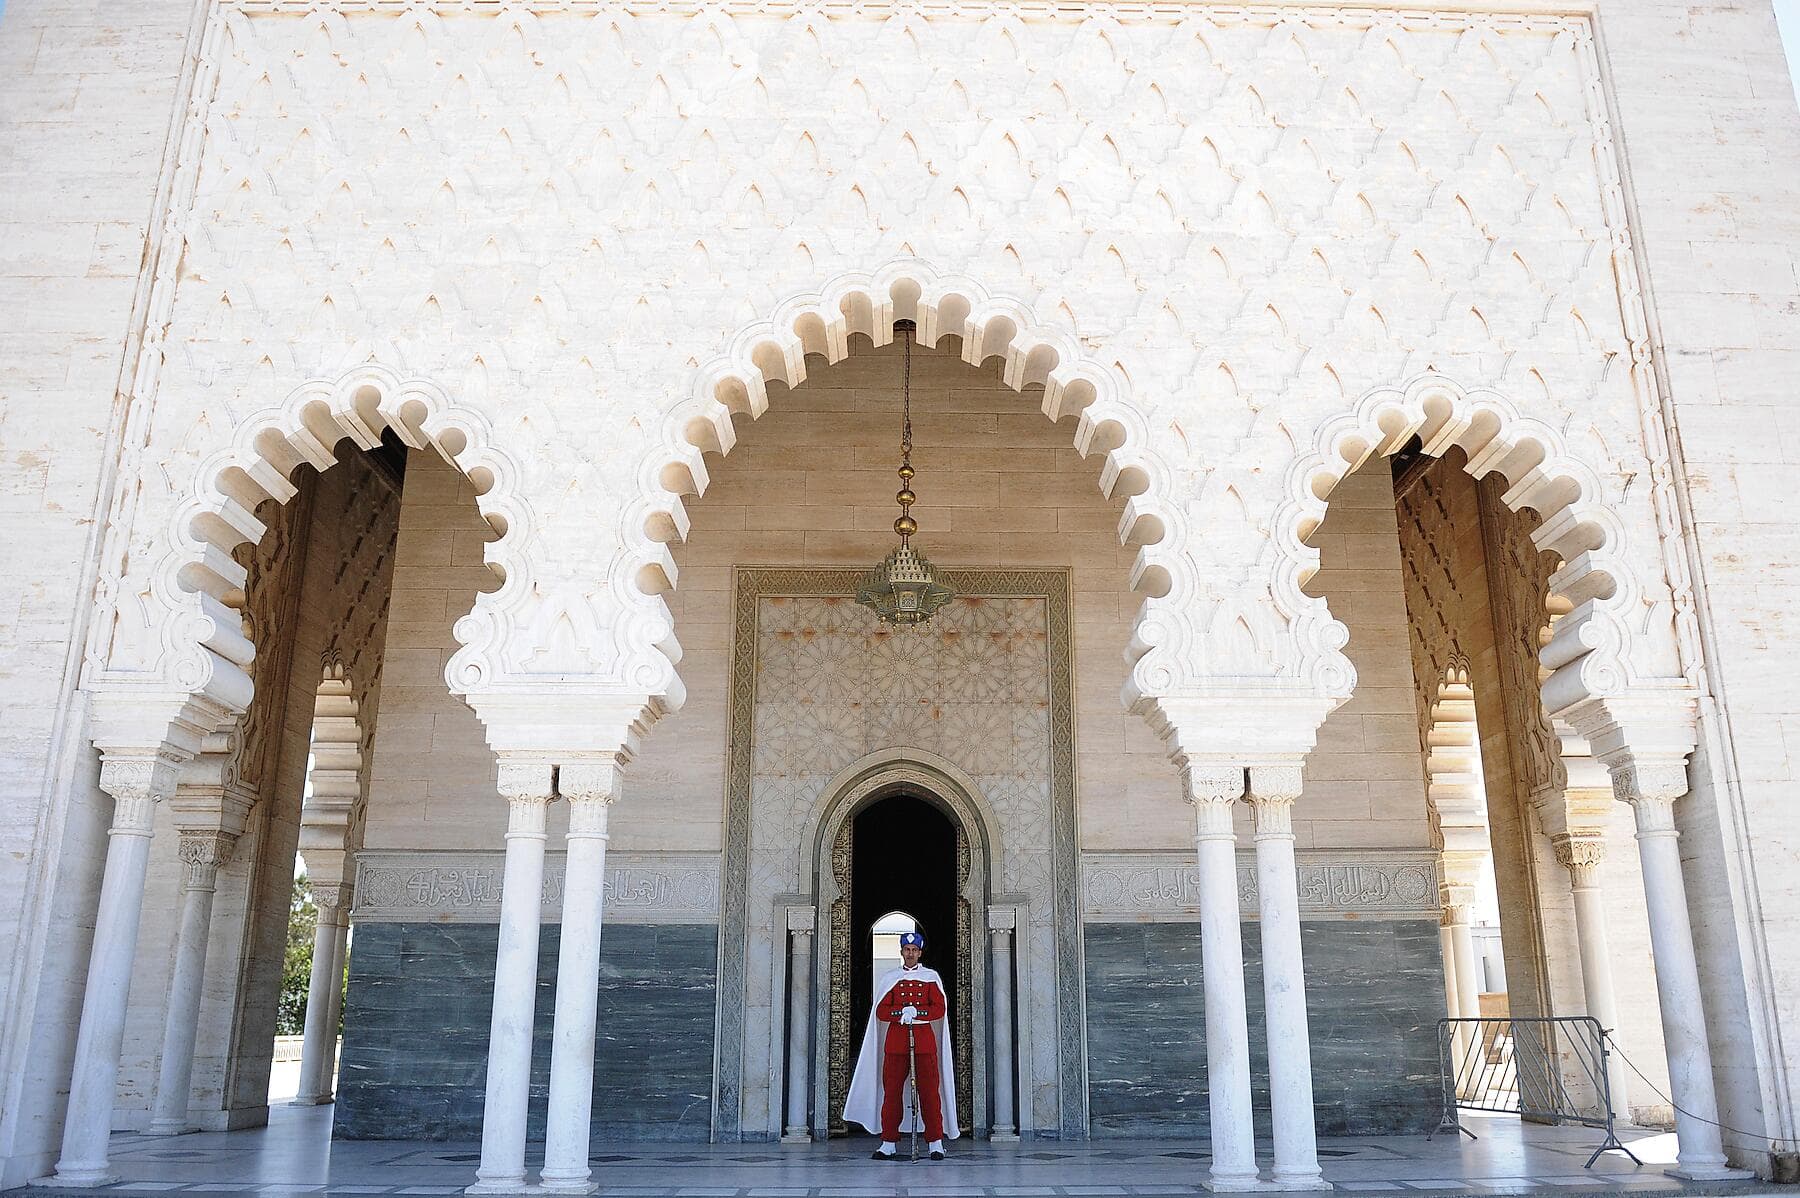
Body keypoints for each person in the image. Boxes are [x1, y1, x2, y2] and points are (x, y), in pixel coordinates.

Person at [844, 929, 959, 1160]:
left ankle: (935, 1142)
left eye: (914, 950)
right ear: (901, 952)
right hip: (896, 1044)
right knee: (892, 1093)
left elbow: (939, 1008)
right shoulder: (891, 979)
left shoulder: (930, 977)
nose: (910, 954)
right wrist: (900, 1013)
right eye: (907, 950)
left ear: (920, 952)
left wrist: (917, 1012)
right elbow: (881, 1011)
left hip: (924, 1043)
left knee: (929, 1093)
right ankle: (888, 1142)